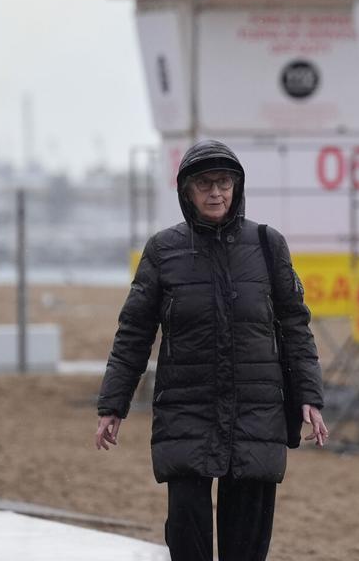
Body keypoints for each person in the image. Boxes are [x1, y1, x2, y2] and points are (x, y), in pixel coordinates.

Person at [95, 139, 328, 561]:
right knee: (187, 541)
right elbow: (134, 332)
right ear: (187, 191)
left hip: (257, 412)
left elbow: (296, 326)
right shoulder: (162, 251)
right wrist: (113, 404)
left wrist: (309, 396)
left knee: (247, 547)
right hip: (187, 410)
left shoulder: (268, 245)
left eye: (224, 183)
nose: (216, 193)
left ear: (237, 187)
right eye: (205, 184)